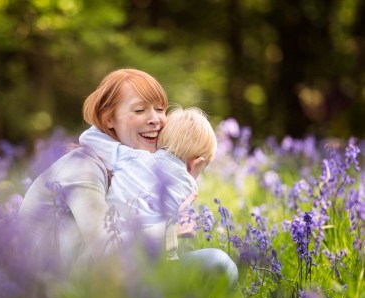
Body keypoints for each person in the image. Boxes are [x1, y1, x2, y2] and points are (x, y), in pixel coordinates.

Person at [18, 68, 174, 273]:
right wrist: (172, 230)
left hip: (107, 277)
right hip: (57, 290)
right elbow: (108, 251)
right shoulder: (82, 166)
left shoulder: (129, 166)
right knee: (215, 262)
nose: (156, 119)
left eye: (161, 109)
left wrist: (188, 175)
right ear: (109, 119)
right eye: (139, 110)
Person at [79, 107, 238, 284]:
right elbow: (168, 250)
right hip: (141, 273)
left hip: (103, 263)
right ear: (197, 163)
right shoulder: (185, 189)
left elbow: (87, 138)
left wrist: (121, 122)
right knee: (222, 265)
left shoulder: (131, 156)